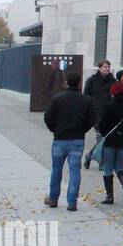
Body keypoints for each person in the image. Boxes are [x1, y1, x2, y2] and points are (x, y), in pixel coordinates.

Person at [43, 70, 95, 211]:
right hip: (77, 139)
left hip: (60, 139)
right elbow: (92, 120)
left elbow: (48, 118)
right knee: (75, 171)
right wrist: (82, 130)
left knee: (56, 170)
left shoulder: (57, 99)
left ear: (66, 82)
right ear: (79, 83)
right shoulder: (86, 100)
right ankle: (72, 201)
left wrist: (54, 129)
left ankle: (53, 199)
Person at [95, 78, 123, 204]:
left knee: (108, 168)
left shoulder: (109, 106)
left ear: (113, 92)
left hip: (110, 141)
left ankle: (110, 197)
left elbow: (102, 125)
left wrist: (106, 133)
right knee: (120, 167)